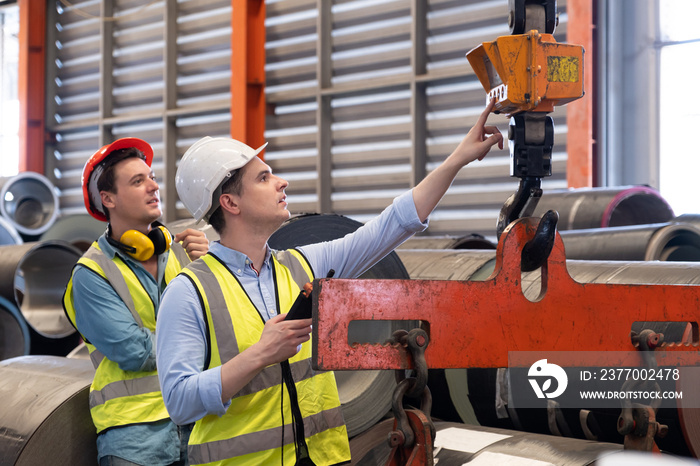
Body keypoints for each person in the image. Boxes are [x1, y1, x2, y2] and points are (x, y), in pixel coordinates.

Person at [155, 99, 504, 465]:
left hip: (323, 459)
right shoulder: (188, 292)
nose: (281, 181)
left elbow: (390, 226)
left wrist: (457, 159)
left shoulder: (303, 265)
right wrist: (260, 354)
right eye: (263, 177)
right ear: (230, 203)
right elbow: (179, 403)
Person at [63, 137, 209, 466]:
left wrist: (212, 267)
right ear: (108, 198)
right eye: (137, 181)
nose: (152, 187)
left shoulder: (182, 254)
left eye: (152, 177)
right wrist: (198, 340)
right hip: (136, 438)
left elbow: (221, 322)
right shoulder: (91, 273)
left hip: (197, 424)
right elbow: (136, 352)